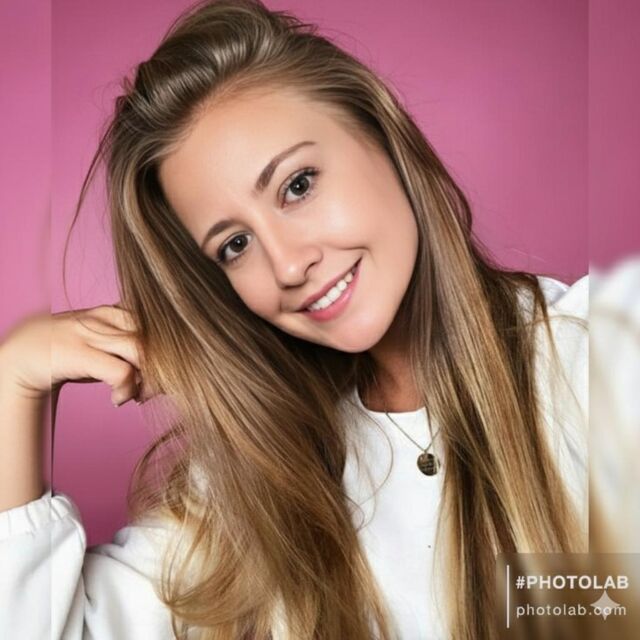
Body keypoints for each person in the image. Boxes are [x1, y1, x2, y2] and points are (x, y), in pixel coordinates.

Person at [0, 1, 588, 638]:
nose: (286, 264)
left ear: (382, 134)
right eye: (235, 244)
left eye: (298, 185)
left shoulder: (599, 358)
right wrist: (15, 382)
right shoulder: (254, 482)